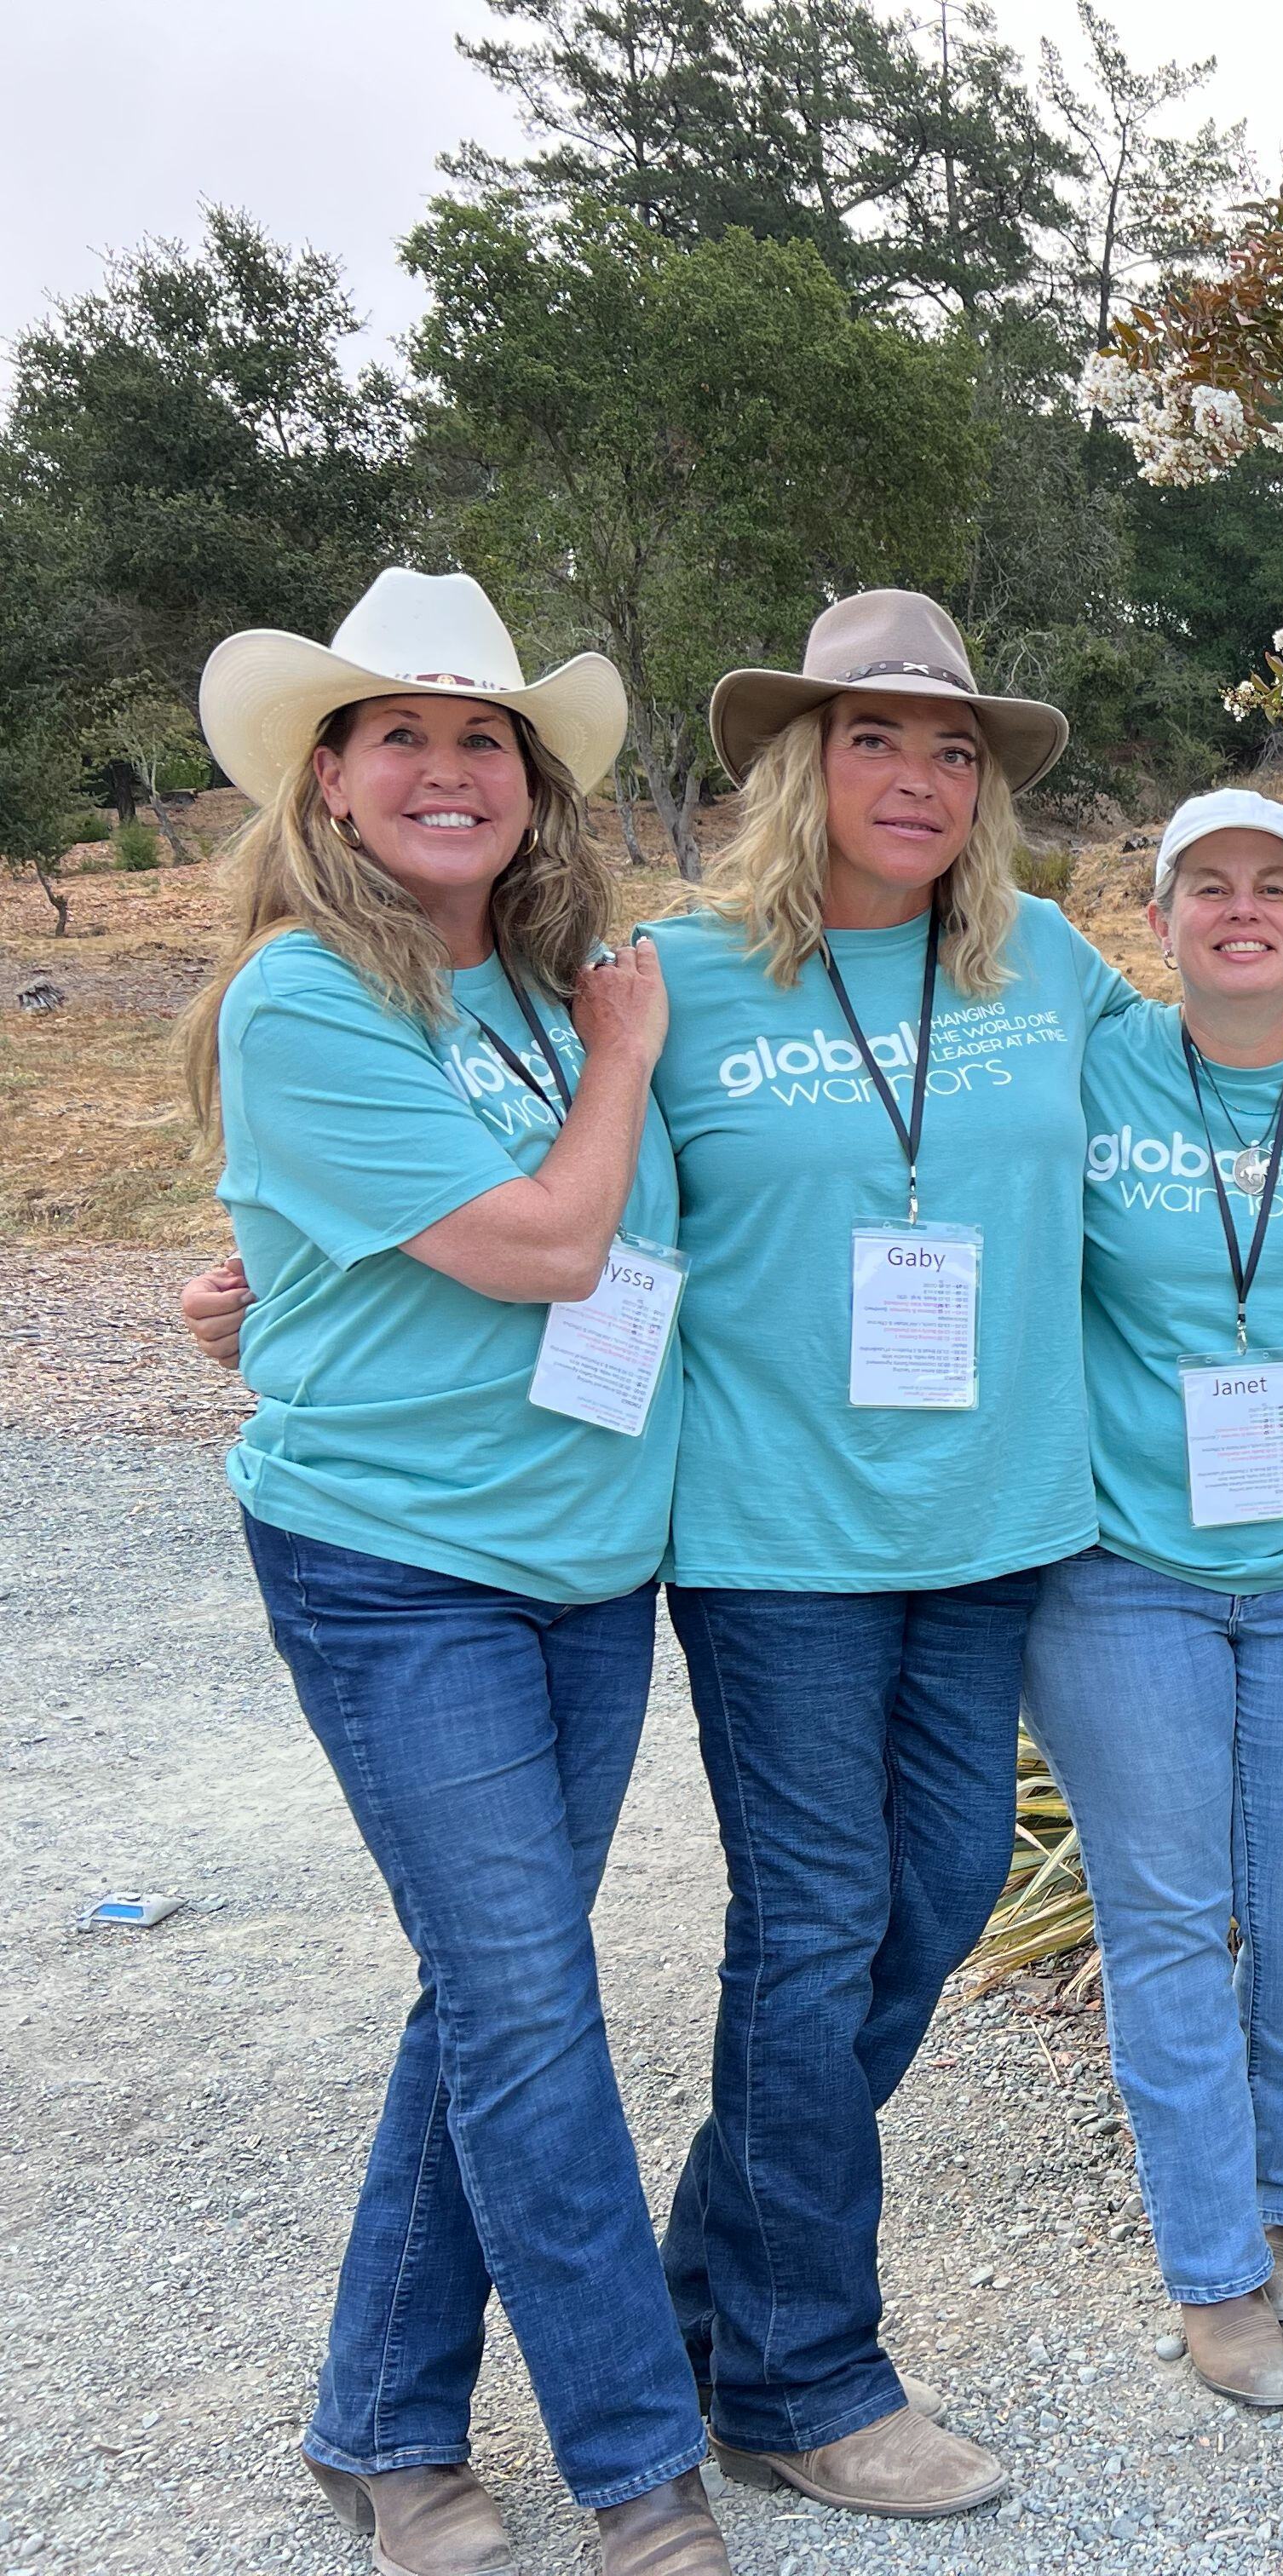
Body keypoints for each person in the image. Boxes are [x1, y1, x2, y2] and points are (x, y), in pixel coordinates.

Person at [186, 568, 731, 2573]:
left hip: (589, 1565)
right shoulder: (311, 996)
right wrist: (622, 1064)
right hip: (399, 1571)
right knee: (529, 2011)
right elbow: (553, 1249)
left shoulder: (537, 978)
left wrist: (268, 1285)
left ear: (530, 782)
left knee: (486, 1999)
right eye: (398, 732)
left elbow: (540, 1244)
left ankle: (381, 2422)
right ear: (326, 781)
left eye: (479, 734)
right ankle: (640, 2474)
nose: (444, 766)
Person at [641, 592, 1133, 2518]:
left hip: (991, 1525)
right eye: (873, 740)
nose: (918, 779)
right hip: (775, 1542)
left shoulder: (1054, 969)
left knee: (925, 1909)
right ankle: (804, 2376)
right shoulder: (668, 975)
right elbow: (518, 1150)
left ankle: (700, 2301)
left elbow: (1225, 1085)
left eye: (951, 751)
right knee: (816, 1924)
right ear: (800, 765)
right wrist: (288, 1272)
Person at [1019, 791, 1283, 2411]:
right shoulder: (1086, 1053)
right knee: (1173, 1921)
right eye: (1207, 888)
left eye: (1274, 887)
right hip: (1123, 1564)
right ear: (1159, 916)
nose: (1240, 909)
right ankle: (1212, 2269)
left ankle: (1272, 2199)